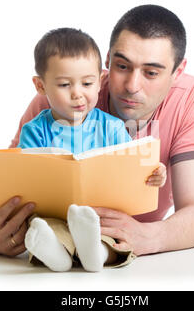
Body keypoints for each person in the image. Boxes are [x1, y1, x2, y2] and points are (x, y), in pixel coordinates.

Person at [0, 4, 194, 261]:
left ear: (177, 72)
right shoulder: (60, 97)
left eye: (151, 72)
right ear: (108, 60)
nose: (132, 86)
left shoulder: (191, 99)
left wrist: (149, 237)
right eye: (122, 66)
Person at [15, 28, 165, 271]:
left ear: (99, 82)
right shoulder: (34, 131)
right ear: (40, 86)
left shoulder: (113, 128)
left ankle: (95, 252)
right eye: (64, 84)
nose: (78, 94)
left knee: (114, 236)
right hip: (54, 216)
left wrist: (155, 173)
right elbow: (25, 180)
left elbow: (132, 171)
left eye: (87, 83)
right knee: (43, 228)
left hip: (102, 218)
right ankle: (57, 256)